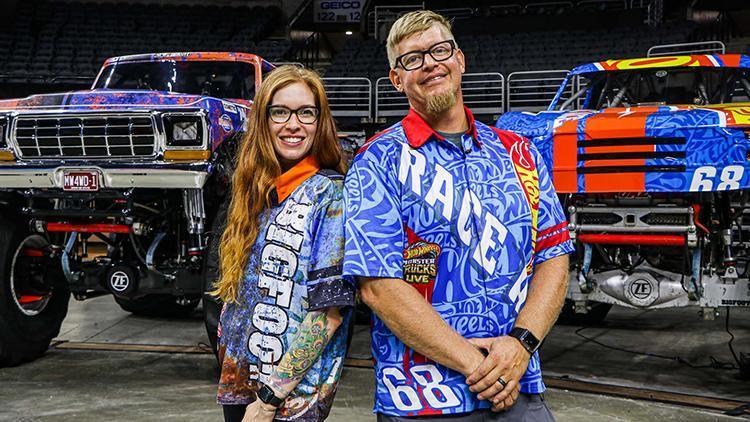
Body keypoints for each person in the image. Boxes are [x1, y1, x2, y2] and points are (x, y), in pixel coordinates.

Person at [343, 10, 574, 420]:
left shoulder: (519, 153)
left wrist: (521, 344)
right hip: (421, 398)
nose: (430, 64)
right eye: (412, 58)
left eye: (440, 50)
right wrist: (476, 365)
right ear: (396, 79)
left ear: (460, 59)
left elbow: (553, 257)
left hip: (518, 384)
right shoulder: (377, 161)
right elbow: (378, 286)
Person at [212, 65, 354, 422]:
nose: (293, 124)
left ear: (320, 122)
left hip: (286, 401)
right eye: (280, 112)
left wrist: (267, 401)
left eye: (306, 112)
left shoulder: (331, 193)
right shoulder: (255, 189)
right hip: (240, 385)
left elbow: (328, 315)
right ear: (264, 120)